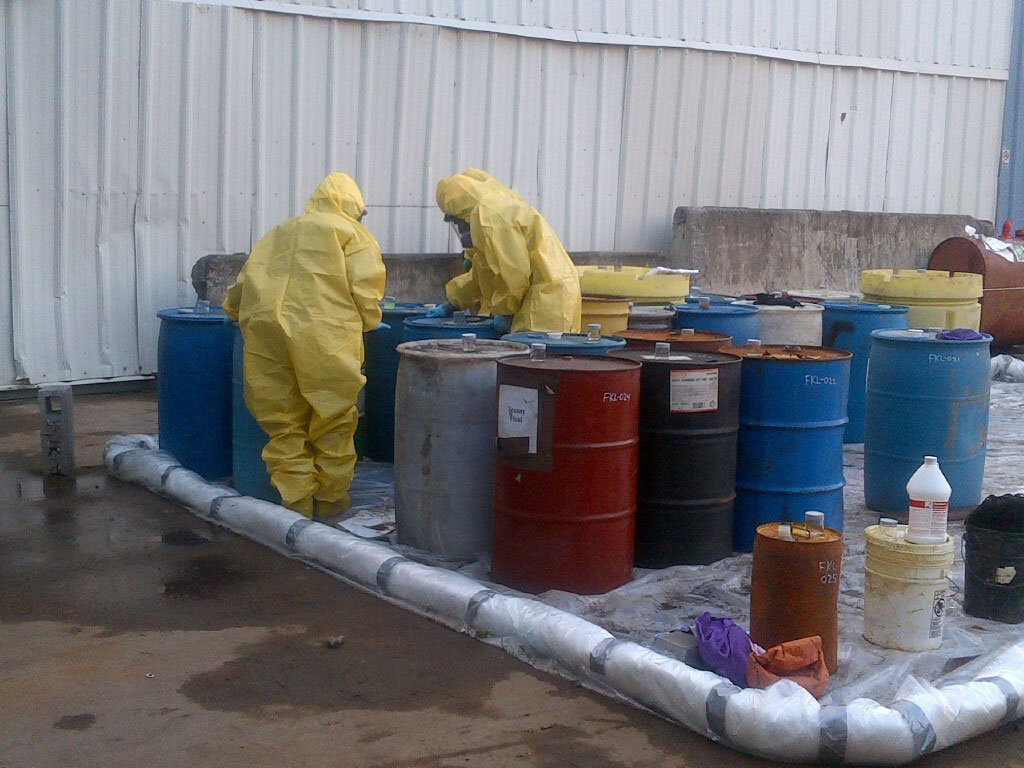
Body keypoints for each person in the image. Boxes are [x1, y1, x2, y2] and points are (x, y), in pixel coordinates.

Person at [223, 173, 386, 520]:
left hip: (265, 331)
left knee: (283, 422)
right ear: (352, 206)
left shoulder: (278, 233)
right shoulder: (352, 233)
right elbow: (365, 287)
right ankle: (329, 506)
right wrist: (369, 320)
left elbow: (244, 280)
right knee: (333, 420)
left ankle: (296, 507)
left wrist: (232, 310)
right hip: (324, 334)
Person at [428, 170, 582, 334]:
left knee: (535, 356)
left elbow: (514, 271)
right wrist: (454, 303)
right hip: (549, 290)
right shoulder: (490, 210)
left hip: (547, 297)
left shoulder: (491, 216)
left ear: (461, 214)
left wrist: (505, 311)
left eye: (458, 223)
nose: (461, 230)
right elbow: (483, 273)